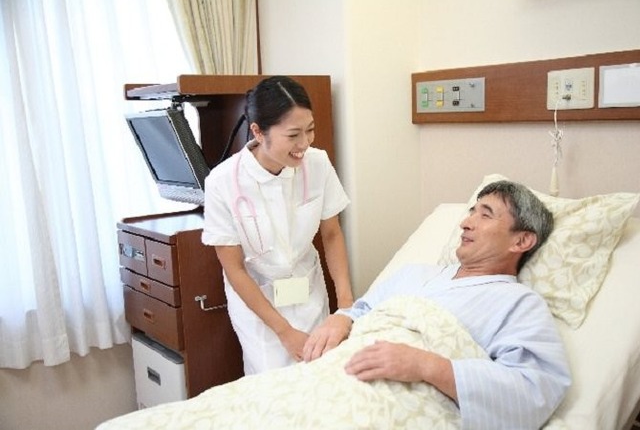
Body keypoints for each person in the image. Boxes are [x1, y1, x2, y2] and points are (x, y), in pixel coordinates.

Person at [302, 180, 572, 429]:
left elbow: (534, 390)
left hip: (388, 407)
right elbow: (363, 311)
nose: (466, 223)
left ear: (522, 240)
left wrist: (426, 366)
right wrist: (342, 318)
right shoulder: (414, 273)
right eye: (472, 211)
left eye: (485, 215)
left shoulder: (519, 303)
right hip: (333, 379)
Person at [201, 76, 354, 375]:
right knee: (272, 385)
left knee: (320, 377)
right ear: (258, 132)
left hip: (308, 294)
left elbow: (332, 234)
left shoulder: (317, 163)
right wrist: (283, 331)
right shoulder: (222, 182)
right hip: (260, 307)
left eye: (310, 130)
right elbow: (234, 269)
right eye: (293, 135)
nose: (305, 144)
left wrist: (346, 307)